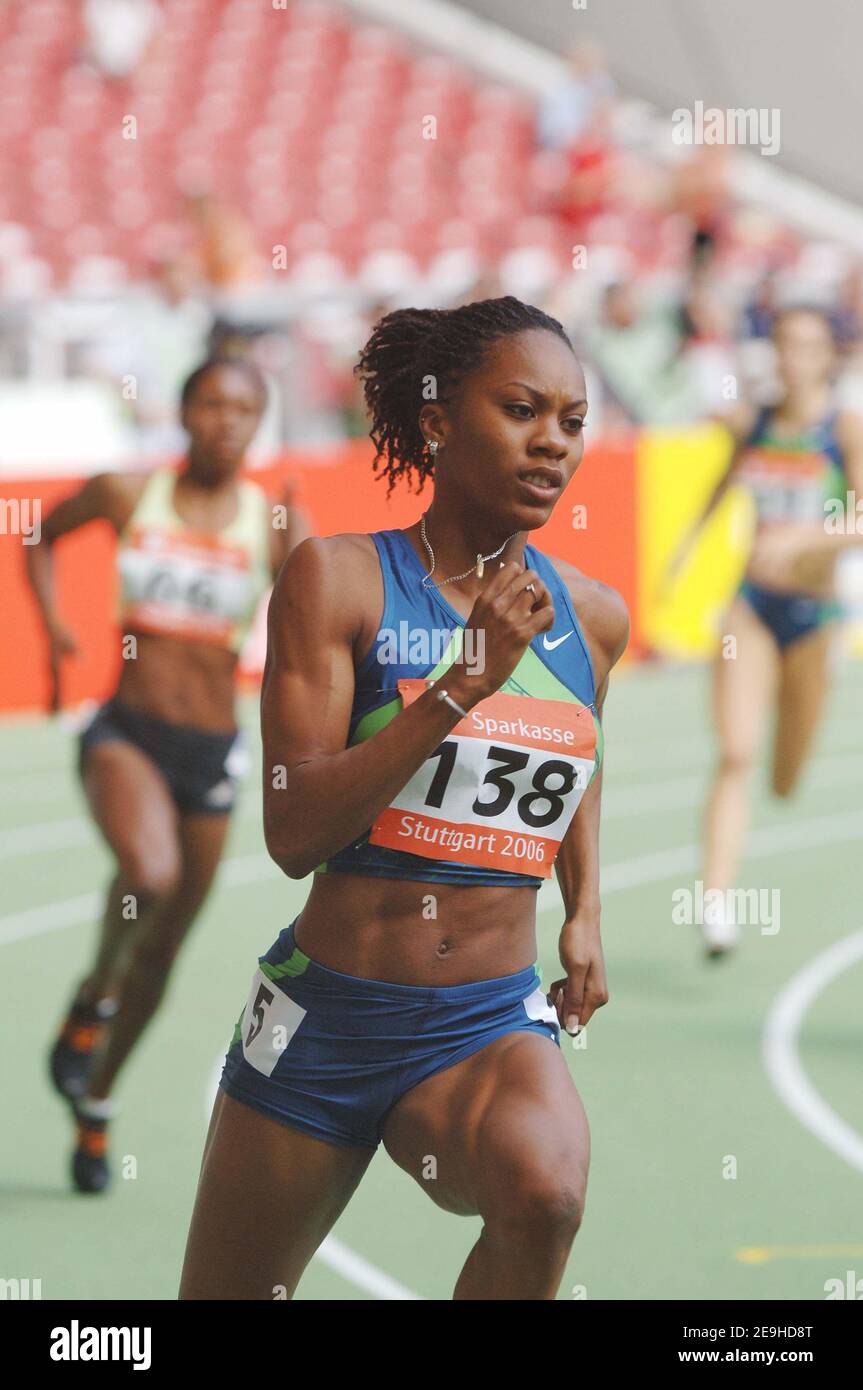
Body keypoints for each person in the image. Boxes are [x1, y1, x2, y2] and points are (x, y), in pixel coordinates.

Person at [179, 295, 629, 1300]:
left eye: (570, 420)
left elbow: (575, 752)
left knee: (544, 1195)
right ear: (435, 421)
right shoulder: (337, 581)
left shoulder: (591, 618)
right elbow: (295, 830)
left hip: (485, 1019)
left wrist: (584, 907)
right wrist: (459, 685)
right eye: (521, 410)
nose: (551, 443)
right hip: (323, 1017)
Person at [25, 357, 308, 1192]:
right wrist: (54, 633)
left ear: (258, 423)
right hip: (126, 734)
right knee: (148, 872)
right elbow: (38, 536)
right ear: (182, 412)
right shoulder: (127, 493)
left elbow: (314, 619)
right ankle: (92, 995)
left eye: (243, 410)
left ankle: (97, 1104)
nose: (225, 421)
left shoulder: (272, 516)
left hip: (212, 751)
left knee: (169, 952)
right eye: (211, 404)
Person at [666, 306, 863, 956]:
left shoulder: (842, 428)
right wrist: (679, 559)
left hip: (815, 618)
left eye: (805, 345)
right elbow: (718, 491)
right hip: (750, 606)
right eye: (781, 344)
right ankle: (715, 903)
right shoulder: (751, 423)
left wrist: (810, 537)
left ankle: (787, 760)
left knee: (783, 777)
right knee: (735, 753)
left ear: (826, 356)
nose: (790, 357)